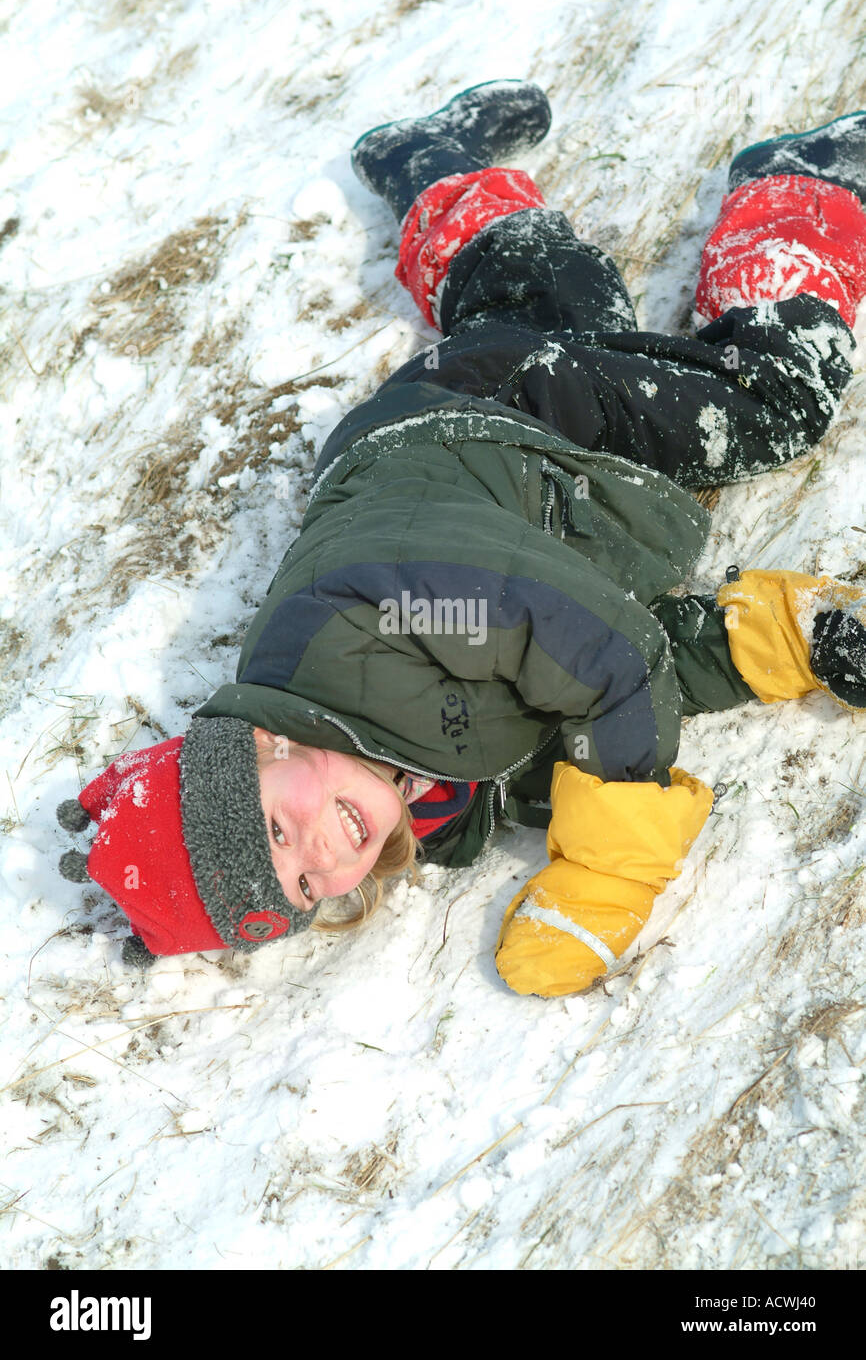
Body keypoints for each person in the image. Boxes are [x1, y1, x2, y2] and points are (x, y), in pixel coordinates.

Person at [57, 81, 866, 997]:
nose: (322, 853)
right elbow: (572, 714)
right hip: (427, 455)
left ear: (261, 748)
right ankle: (426, 157)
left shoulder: (379, 614)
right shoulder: (424, 806)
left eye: (280, 830)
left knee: (773, 402)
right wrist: (795, 641)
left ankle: (794, 187)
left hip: (499, 413)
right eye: (305, 887)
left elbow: (596, 646)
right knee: (558, 296)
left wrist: (610, 869)